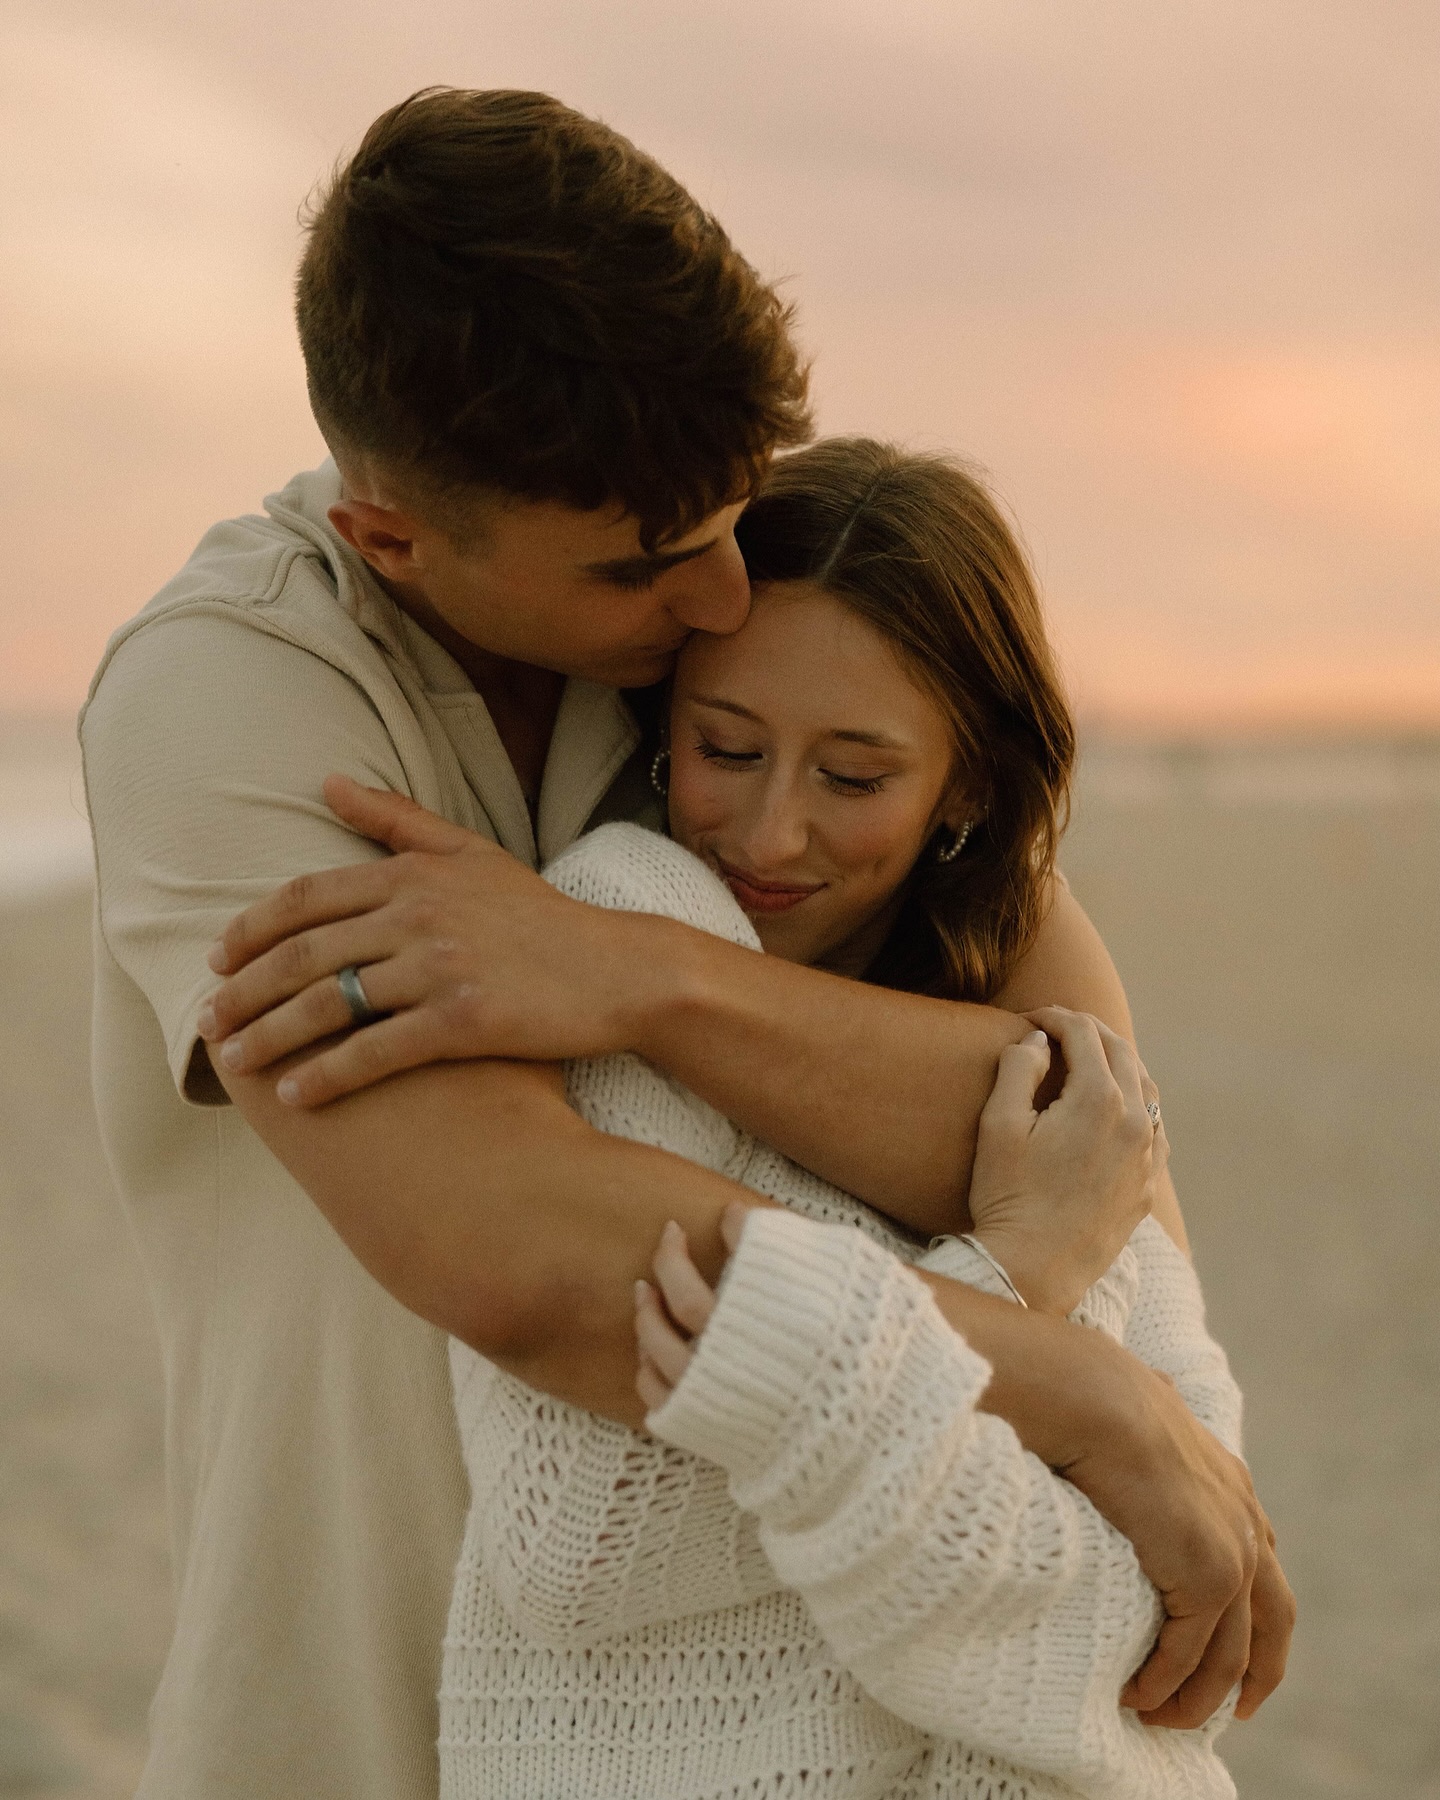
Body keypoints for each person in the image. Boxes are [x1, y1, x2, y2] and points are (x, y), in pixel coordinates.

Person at [80, 88, 1289, 1800]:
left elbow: (1088, 1114)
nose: (727, 597)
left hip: (759, 1728)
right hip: (355, 1700)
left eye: (737, 515)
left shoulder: (703, 640)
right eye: (657, 563)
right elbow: (526, 1252)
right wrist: (1081, 1389)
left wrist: (642, 974)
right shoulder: (224, 700)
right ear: (393, 539)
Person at [220, 441, 1250, 1797]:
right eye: (728, 748)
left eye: (855, 776)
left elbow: (1185, 1583)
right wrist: (1022, 1285)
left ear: (970, 787)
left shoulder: (1033, 1003)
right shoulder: (627, 912)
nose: (768, 836)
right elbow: (580, 1544)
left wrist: (843, 1414)